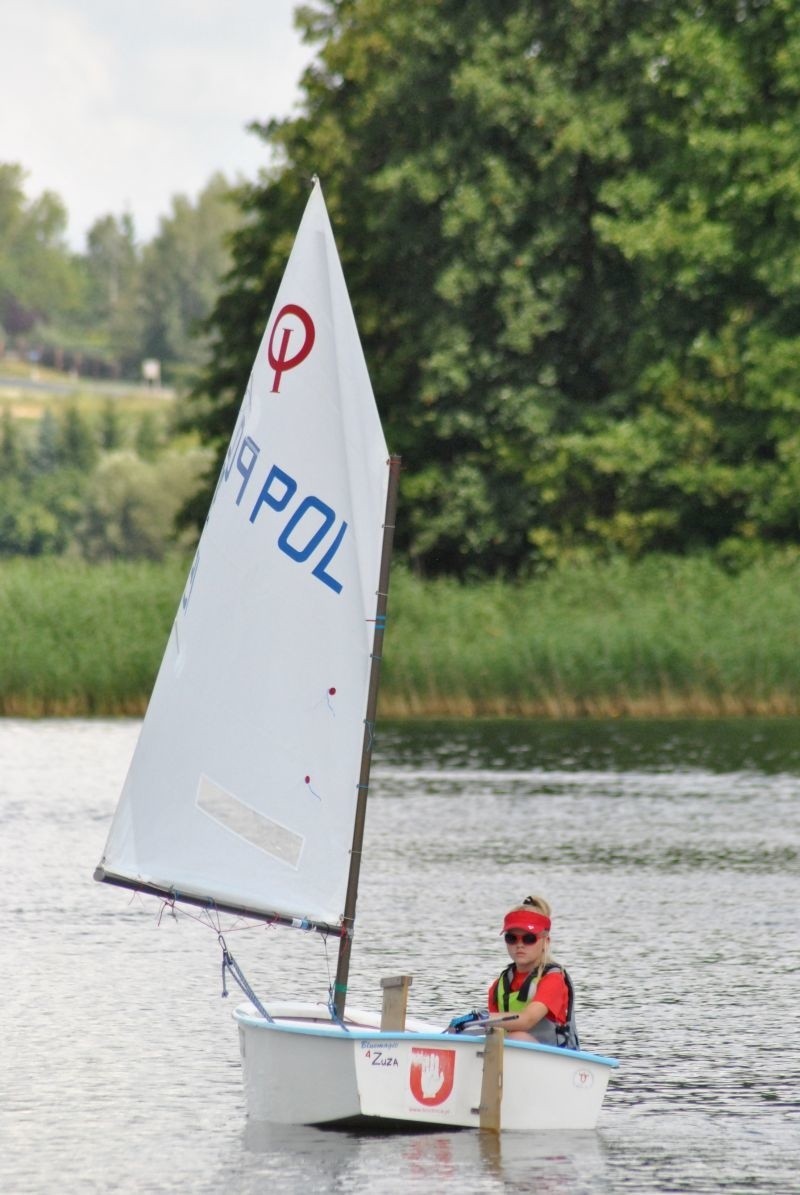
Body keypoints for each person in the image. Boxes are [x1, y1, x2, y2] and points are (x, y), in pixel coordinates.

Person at [480, 895, 580, 1048]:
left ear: (546, 942)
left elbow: (527, 1020)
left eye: (528, 938)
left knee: (516, 1037)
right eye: (512, 938)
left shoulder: (554, 980)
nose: (519, 945)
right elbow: (493, 1030)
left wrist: (481, 1019)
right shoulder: (498, 986)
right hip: (515, 1055)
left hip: (557, 1061)